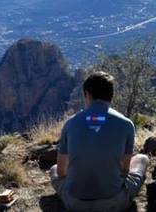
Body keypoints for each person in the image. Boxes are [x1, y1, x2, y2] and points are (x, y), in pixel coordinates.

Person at [49, 71, 148, 211]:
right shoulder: (127, 124)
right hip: (113, 204)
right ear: (111, 96)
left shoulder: (70, 123)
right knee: (142, 159)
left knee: (53, 169)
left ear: (86, 94)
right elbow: (125, 169)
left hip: (75, 204)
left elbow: (60, 172)